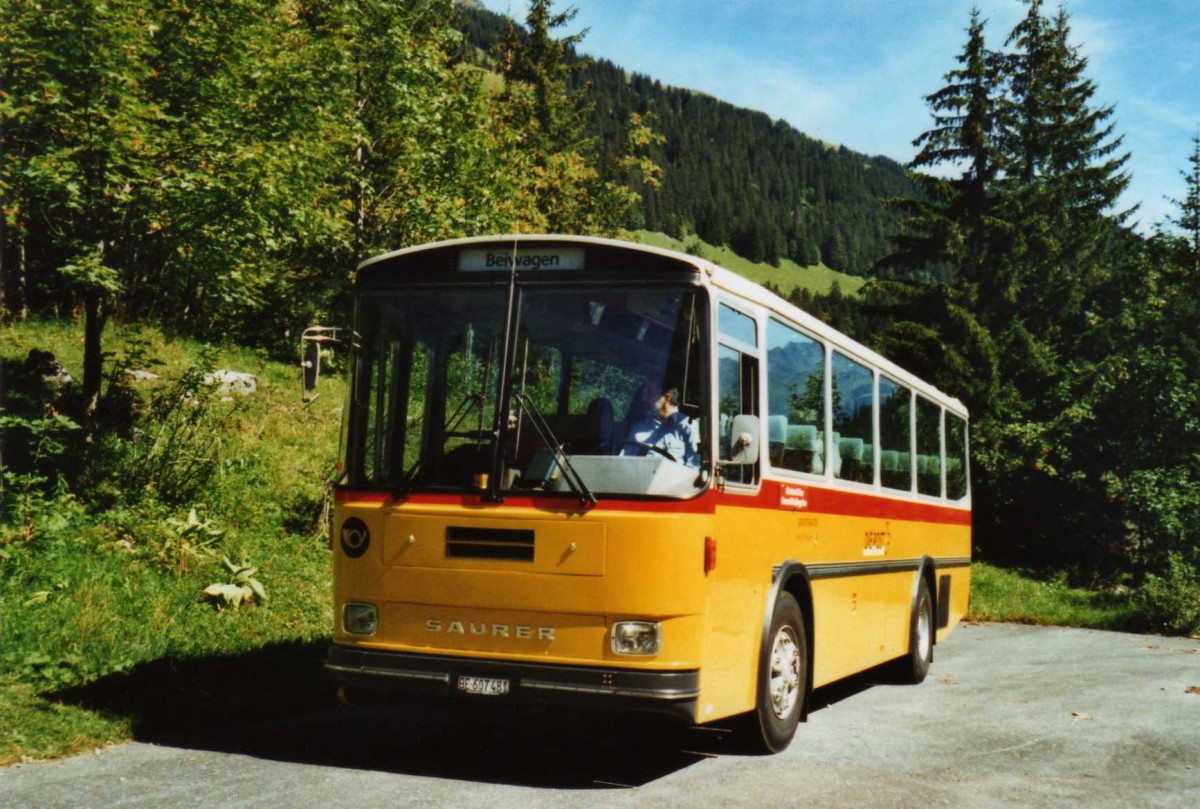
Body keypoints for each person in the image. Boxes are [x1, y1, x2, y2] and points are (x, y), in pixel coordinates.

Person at [620, 384, 699, 467]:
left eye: (649, 393)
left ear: (667, 398)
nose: (644, 399)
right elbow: (624, 462)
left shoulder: (688, 426)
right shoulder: (639, 428)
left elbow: (694, 466)